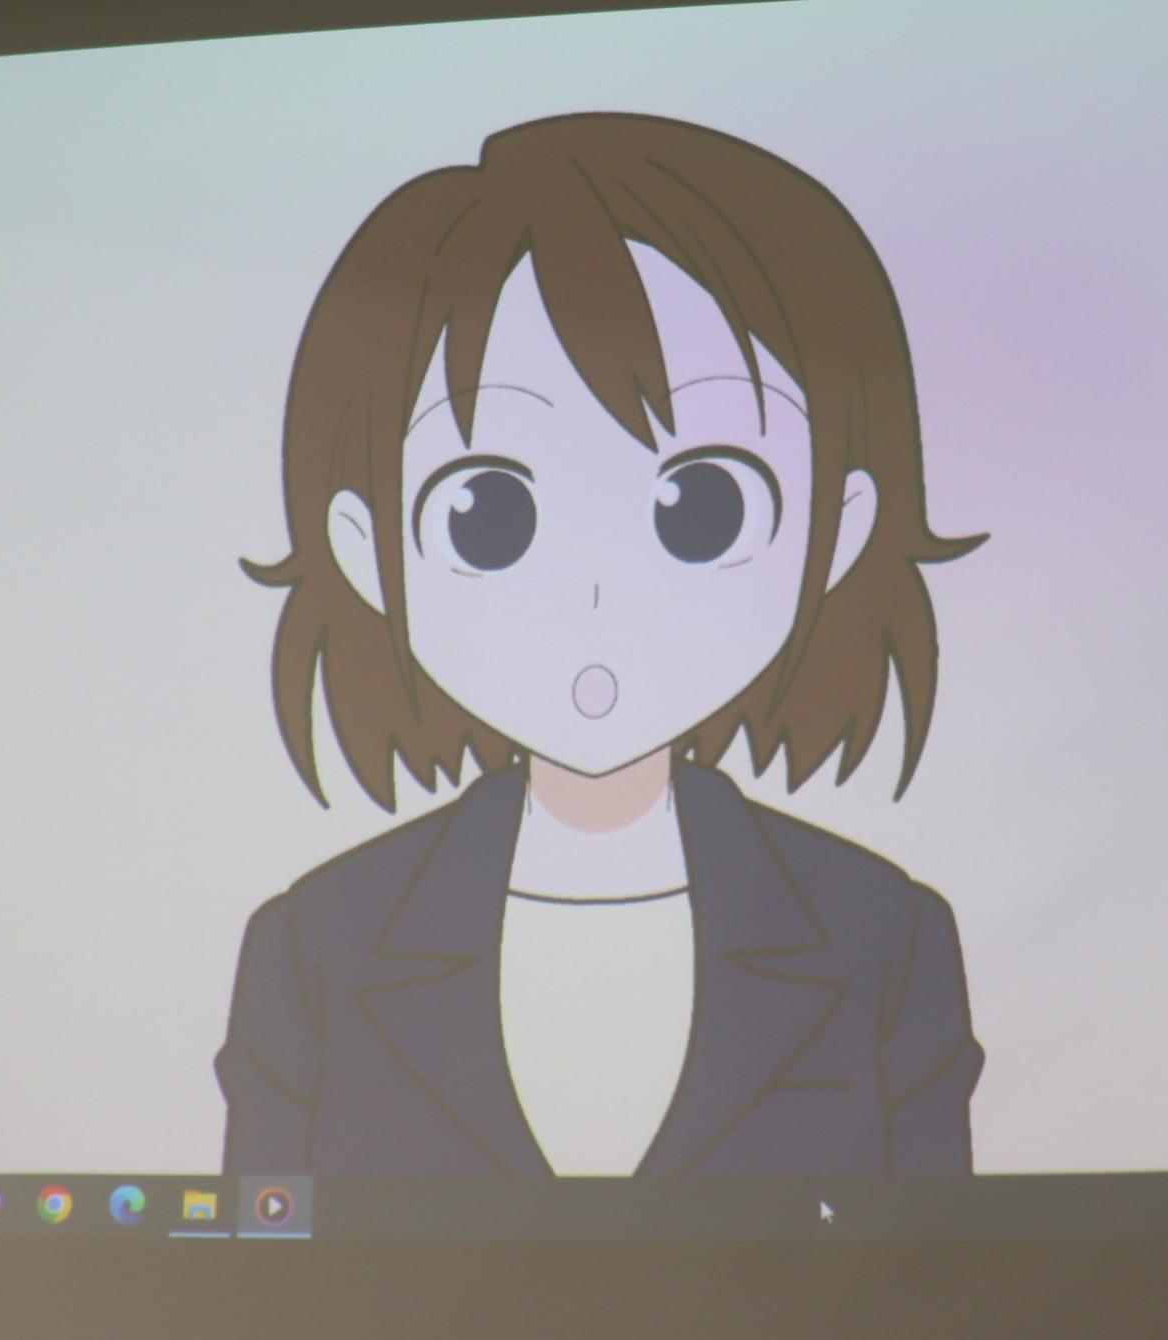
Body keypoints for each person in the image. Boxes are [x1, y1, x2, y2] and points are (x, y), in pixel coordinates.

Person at [217, 112, 985, 1177]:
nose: (594, 593)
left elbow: (935, 1249)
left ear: (839, 527)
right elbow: (263, 1244)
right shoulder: (316, 945)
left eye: (703, 506)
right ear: (363, 548)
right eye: (485, 515)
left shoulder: (881, 936)